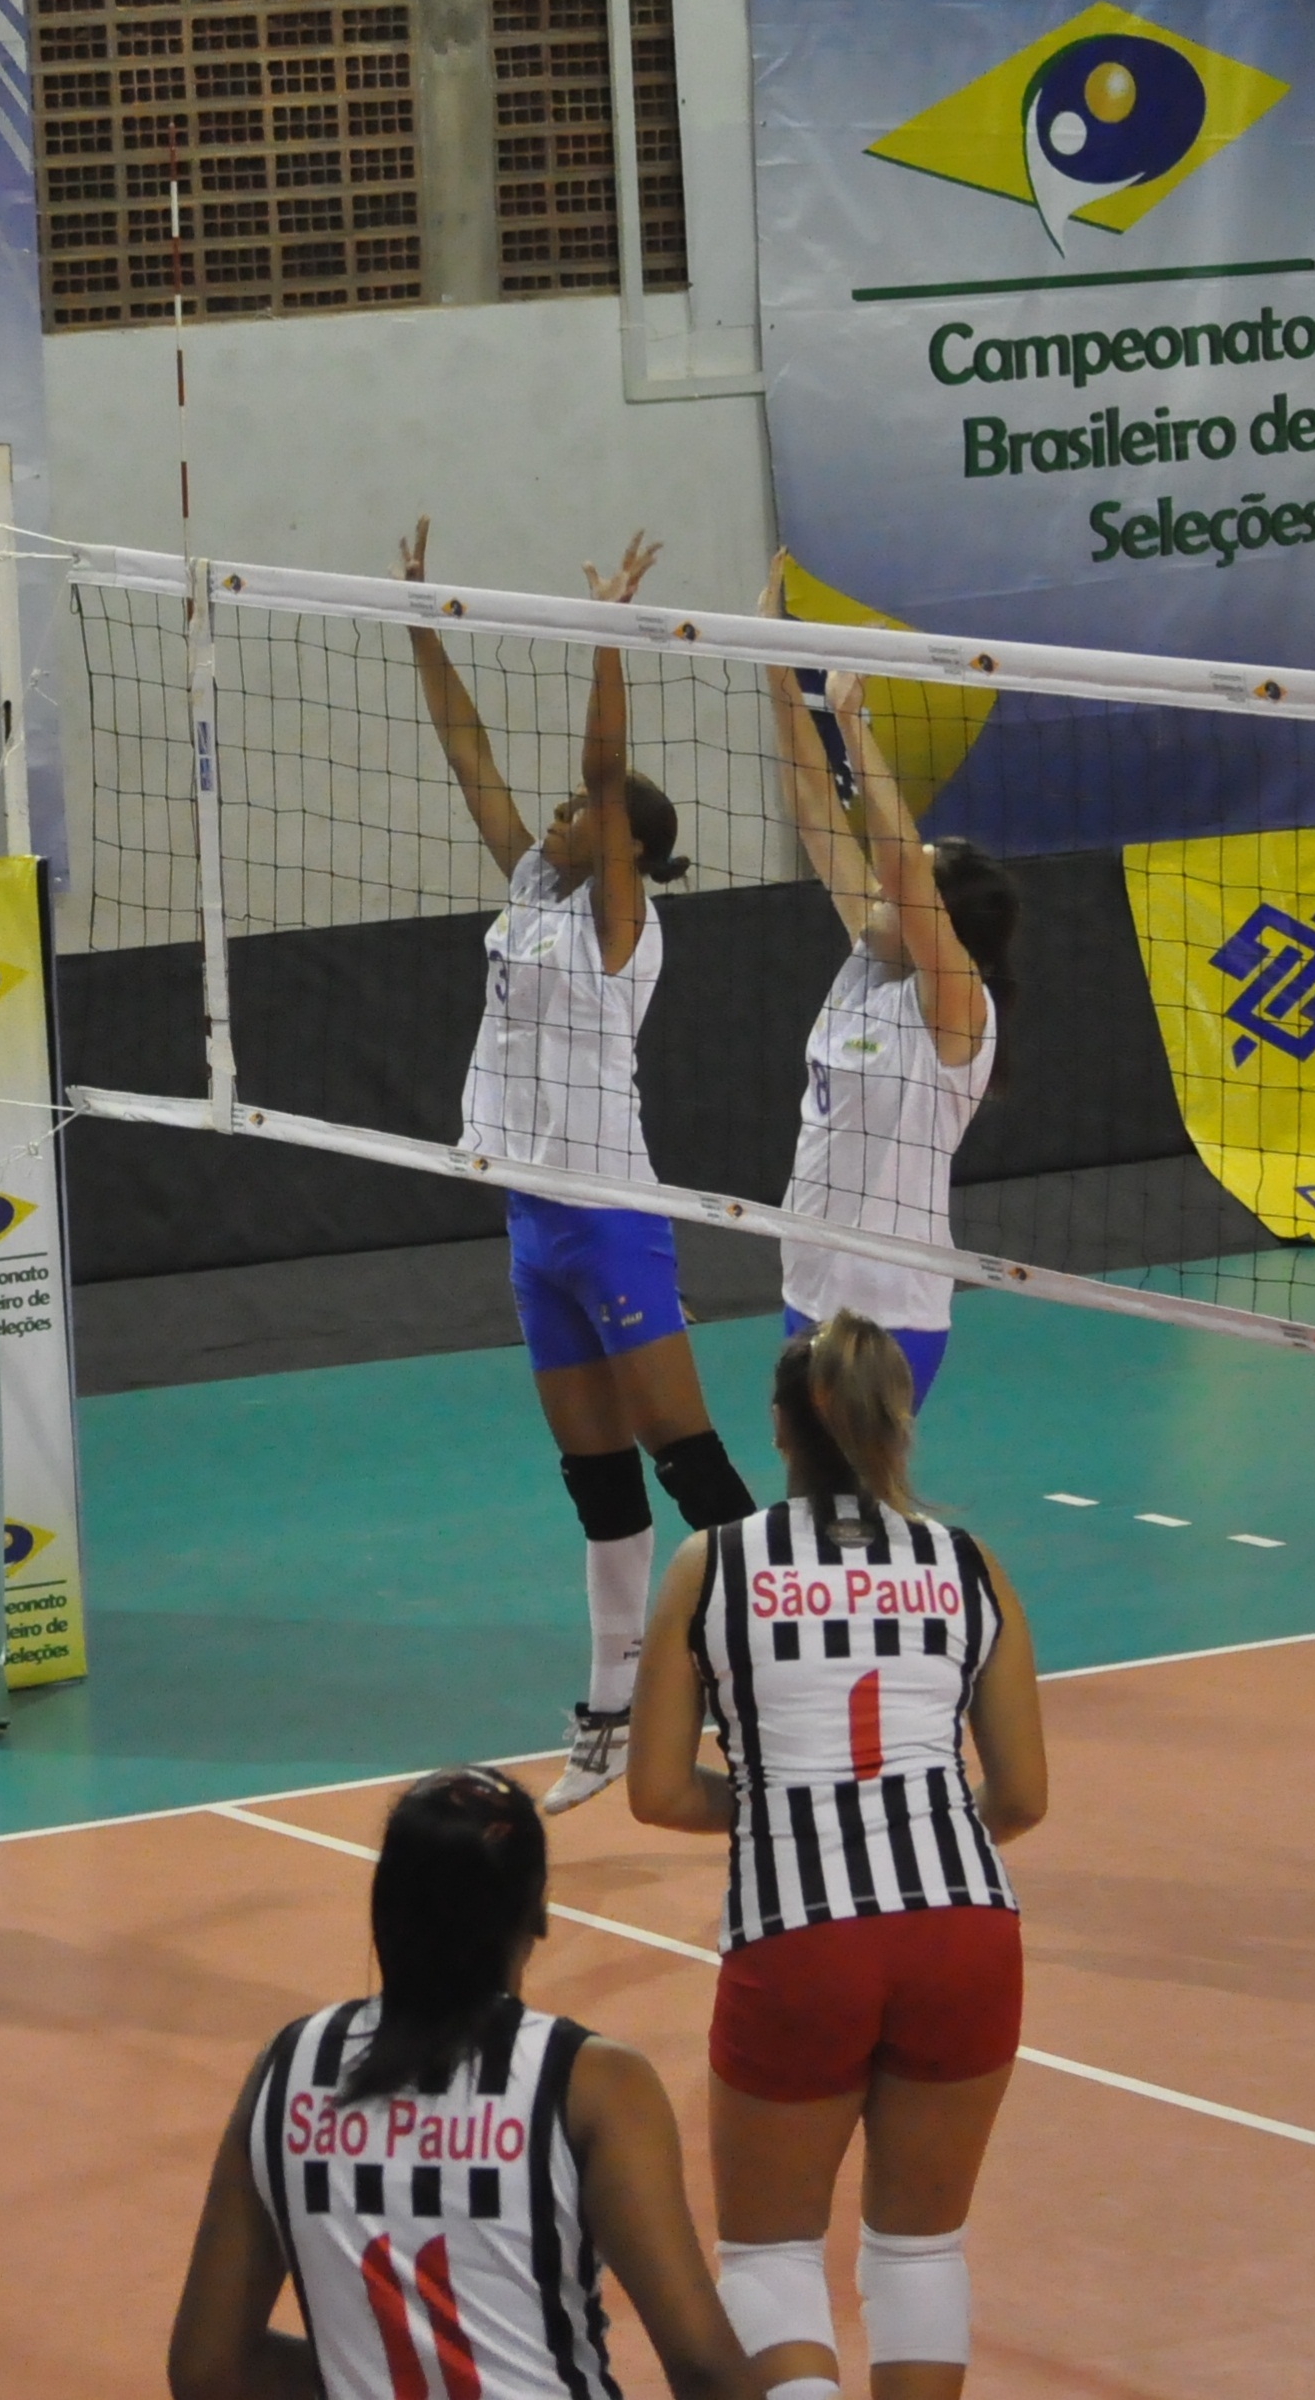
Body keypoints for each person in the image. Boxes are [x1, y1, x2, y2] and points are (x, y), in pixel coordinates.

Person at [403, 519, 759, 1819]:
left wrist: (610, 634)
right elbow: (467, 753)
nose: (549, 818)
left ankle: (752, 1673)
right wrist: (415, 624)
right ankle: (608, 1713)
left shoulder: (620, 916)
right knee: (595, 1482)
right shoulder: (529, 889)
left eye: (572, 812)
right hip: (530, 1221)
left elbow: (600, 777)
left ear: (613, 842)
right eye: (553, 813)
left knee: (687, 1461)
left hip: (610, 1219)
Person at [631, 1313, 1048, 2400]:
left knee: (769, 2255)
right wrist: (910, 1819)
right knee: (919, 2249)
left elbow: (660, 1791)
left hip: (800, 1933)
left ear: (778, 1432)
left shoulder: (710, 1563)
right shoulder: (966, 1562)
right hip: (964, 1924)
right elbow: (1024, 1796)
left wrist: (790, 1804)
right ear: (892, 1427)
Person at [167, 1766, 764, 2400]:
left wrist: (367, 2375)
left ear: (384, 1907)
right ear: (536, 1909)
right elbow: (703, 2367)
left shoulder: (290, 2065)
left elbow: (209, 2370)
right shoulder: (593, 2083)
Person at [762, 664, 1018, 1407]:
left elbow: (902, 865)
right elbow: (812, 808)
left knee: (860, 1501)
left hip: (888, 1305)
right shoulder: (869, 964)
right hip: (808, 1282)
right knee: (810, 1488)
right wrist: (778, 672)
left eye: (903, 887)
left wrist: (852, 723)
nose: (878, 885)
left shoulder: (954, 1009)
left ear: (938, 922)